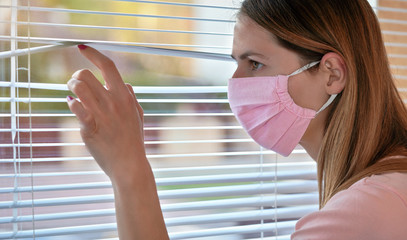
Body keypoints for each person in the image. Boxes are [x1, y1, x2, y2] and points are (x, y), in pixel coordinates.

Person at [66, 0, 407, 239]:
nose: (235, 84)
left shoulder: (365, 212)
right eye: (236, 63)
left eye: (255, 63)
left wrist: (128, 167)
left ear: (332, 74)